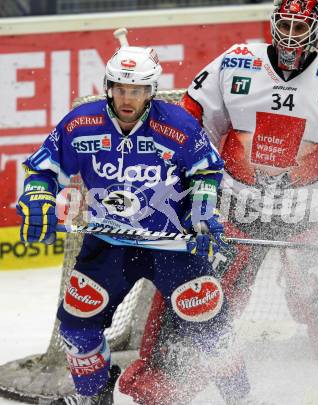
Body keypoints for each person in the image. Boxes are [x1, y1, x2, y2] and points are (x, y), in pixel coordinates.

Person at [176, 0, 318, 402]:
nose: (289, 35)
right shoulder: (235, 64)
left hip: (309, 215)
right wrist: (186, 185)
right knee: (194, 294)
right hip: (234, 209)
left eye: (299, 28)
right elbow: (193, 127)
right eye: (284, 24)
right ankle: (160, 386)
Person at [16, 31, 252, 405]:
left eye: (137, 89)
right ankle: (94, 395)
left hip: (174, 248)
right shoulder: (81, 125)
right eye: (121, 88)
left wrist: (203, 212)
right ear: (109, 86)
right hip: (109, 245)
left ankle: (241, 398)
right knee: (77, 326)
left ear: (151, 91)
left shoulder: (177, 126)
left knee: (212, 326)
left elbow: (207, 172)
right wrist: (38, 194)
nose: (128, 99)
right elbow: (42, 168)